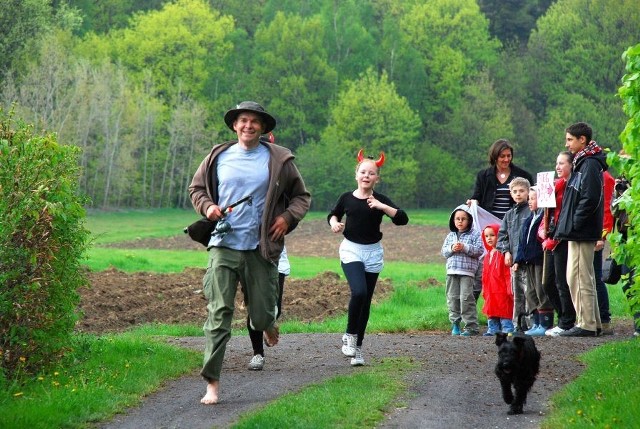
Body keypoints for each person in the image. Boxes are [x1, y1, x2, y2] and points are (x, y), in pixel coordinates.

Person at [188, 101, 311, 404]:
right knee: (219, 314)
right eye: (243, 120)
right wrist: (208, 207)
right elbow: (197, 189)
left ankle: (268, 321)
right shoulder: (218, 156)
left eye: (254, 122)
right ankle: (212, 383)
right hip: (223, 245)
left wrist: (286, 218)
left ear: (263, 128)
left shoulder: (279, 159)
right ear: (234, 125)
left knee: (259, 314)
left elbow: (301, 197)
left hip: (260, 248)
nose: (248, 126)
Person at [328, 150, 409, 366]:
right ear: (356, 175)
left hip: (373, 252)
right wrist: (334, 223)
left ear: (377, 178)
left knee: (366, 301)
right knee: (359, 291)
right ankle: (349, 336)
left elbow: (402, 219)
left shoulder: (380, 200)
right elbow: (333, 213)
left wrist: (382, 207)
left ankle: (358, 349)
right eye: (363, 172)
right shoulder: (346, 197)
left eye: (371, 173)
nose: (366, 176)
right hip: (351, 250)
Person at [467, 139, 533, 303]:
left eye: (508, 156)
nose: (506, 159)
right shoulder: (484, 175)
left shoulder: (522, 175)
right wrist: (472, 202)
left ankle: (514, 308)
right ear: (494, 157)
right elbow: (477, 196)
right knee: (488, 266)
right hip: (491, 227)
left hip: (514, 225)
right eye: (502, 156)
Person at [555, 122, 606, 337]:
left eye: (569, 140)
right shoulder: (583, 162)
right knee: (580, 276)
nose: (567, 144)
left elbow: (590, 197)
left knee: (578, 276)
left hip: (582, 231)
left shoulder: (590, 164)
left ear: (582, 139)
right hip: (579, 230)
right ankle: (592, 323)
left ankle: (586, 324)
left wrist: (575, 222)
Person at [541, 151, 577, 336]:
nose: (558, 167)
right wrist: (543, 230)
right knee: (547, 283)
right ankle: (563, 316)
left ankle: (567, 321)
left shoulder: (572, 186)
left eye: (562, 163)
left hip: (564, 238)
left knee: (562, 281)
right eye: (557, 163)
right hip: (550, 237)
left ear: (571, 165)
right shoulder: (554, 185)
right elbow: (547, 214)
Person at [514, 187, 553, 336]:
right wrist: (518, 259)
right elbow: (522, 241)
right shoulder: (529, 219)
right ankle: (536, 322)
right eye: (529, 198)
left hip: (539, 259)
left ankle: (545, 322)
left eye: (533, 198)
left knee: (540, 289)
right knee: (530, 291)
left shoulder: (544, 218)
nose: (530, 201)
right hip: (528, 261)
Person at [441, 205, 484, 336]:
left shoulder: (475, 234)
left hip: (467, 273)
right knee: (452, 298)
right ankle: (455, 324)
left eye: (463, 219)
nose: (460, 221)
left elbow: (479, 251)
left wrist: (464, 247)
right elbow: (444, 252)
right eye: (457, 219)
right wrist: (452, 248)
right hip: (452, 272)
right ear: (453, 221)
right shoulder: (450, 236)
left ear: (469, 220)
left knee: (466, 299)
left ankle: (471, 327)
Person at [497, 177, 532, 331]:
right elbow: (502, 236)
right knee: (517, 294)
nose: (518, 194)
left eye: (522, 191)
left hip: (528, 261)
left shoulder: (531, 210)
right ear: (511, 194)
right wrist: (505, 252)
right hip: (513, 263)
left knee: (530, 292)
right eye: (515, 191)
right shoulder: (509, 214)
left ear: (528, 192)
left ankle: (532, 323)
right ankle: (518, 325)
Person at [246, 247, 290, 371]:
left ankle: (267, 324)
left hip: (275, 256)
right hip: (252, 258)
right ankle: (258, 354)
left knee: (276, 309)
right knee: (256, 309)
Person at [611, 176, 640, 337]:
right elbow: (614, 211)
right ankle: (638, 324)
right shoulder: (622, 190)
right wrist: (619, 193)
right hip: (625, 240)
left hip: (636, 239)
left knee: (636, 282)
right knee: (627, 283)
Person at [480, 224, 514, 336]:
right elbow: (484, 275)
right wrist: (484, 289)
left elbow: (506, 273)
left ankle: (507, 329)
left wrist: (509, 288)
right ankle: (493, 329)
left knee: (504, 309)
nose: (489, 238)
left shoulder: (503, 254)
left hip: (502, 290)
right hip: (490, 291)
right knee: (491, 309)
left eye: (492, 235)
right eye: (486, 236)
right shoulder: (487, 256)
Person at [594, 169, 615, 335]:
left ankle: (604, 318)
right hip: (589, 232)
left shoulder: (604, 177)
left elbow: (607, 207)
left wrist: (603, 234)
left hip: (596, 234)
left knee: (596, 276)